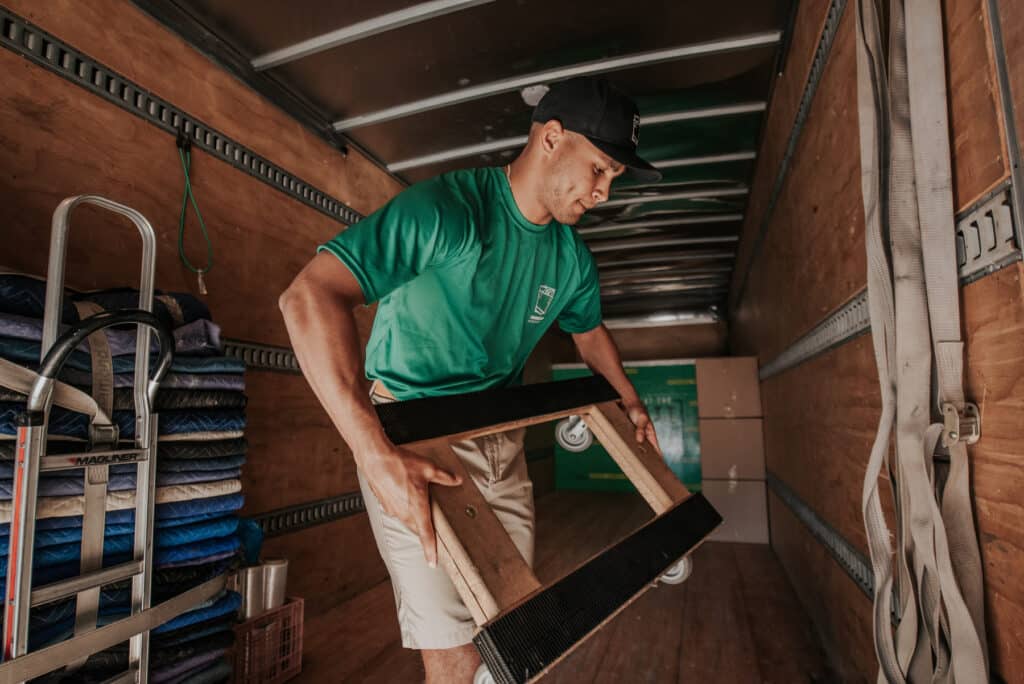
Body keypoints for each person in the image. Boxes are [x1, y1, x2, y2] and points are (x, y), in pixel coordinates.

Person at [279, 76, 664, 683]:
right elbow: (308, 297)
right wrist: (374, 453)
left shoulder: (570, 258)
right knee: (455, 654)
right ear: (552, 139)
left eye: (613, 177)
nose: (603, 192)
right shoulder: (448, 210)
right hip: (412, 441)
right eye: (600, 169)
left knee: (514, 632)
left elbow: (588, 332)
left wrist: (631, 400)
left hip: (500, 440)